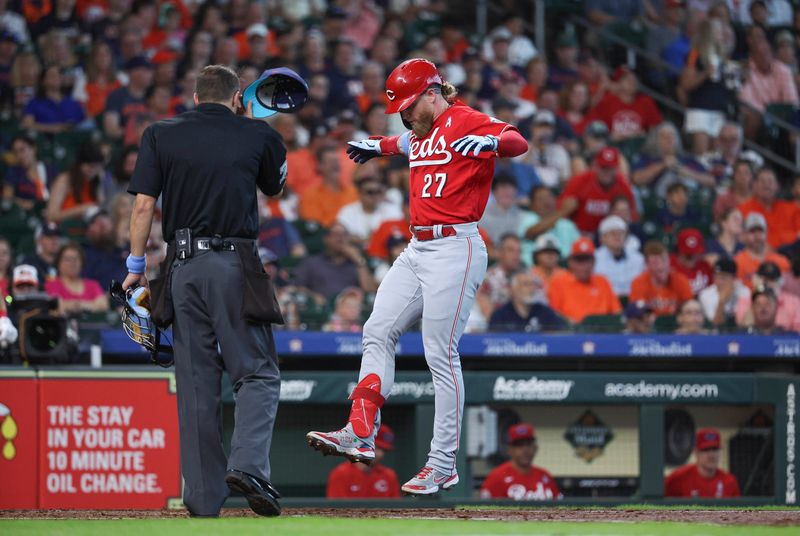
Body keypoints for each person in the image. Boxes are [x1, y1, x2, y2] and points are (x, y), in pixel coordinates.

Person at [306, 58, 528, 495]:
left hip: (456, 245)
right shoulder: (420, 131)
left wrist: (490, 145)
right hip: (418, 247)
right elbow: (408, 143)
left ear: (432, 93)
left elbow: (518, 142)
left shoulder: (466, 118)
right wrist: (379, 146)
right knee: (377, 329)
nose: (405, 112)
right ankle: (360, 431)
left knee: (439, 354)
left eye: (409, 104)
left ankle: (443, 462)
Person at [123, 65, 287, 517]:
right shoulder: (259, 134)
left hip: (180, 267)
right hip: (234, 264)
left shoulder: (161, 132)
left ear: (196, 97)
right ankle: (250, 466)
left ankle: (202, 501)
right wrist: (251, 122)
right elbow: (275, 185)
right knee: (256, 372)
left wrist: (136, 266)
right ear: (238, 98)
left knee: (196, 386)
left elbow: (142, 207)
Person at [558, 147, 638, 234]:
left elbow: (633, 216)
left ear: (616, 169)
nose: (606, 172)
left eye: (610, 168)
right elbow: (561, 210)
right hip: (579, 233)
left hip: (609, 237)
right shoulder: (580, 181)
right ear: (595, 166)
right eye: (603, 167)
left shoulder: (623, 186)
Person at [293, 223, 378, 301]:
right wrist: (313, 296)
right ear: (326, 239)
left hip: (350, 311)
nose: (340, 239)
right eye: (336, 235)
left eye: (344, 235)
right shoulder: (312, 263)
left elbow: (370, 291)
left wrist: (359, 260)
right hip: (322, 310)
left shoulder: (357, 264)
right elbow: (295, 287)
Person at [547, 237, 621, 324]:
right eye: (579, 260)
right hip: (571, 333)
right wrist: (569, 322)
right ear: (570, 262)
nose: (584, 266)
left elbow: (617, 312)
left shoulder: (602, 281)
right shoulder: (558, 282)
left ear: (594, 262)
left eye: (587, 260)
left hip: (601, 332)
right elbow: (553, 313)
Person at [480, 423, 561, 500]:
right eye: (519, 445)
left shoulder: (544, 476)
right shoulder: (496, 477)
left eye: (528, 444)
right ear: (509, 450)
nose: (525, 450)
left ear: (535, 448)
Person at [326, 424, 400, 498]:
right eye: (376, 447)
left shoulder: (389, 476)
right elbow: (336, 508)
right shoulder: (341, 474)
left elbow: (396, 508)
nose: (380, 454)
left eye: (384, 450)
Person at [665, 427, 741, 498]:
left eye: (715, 449)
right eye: (706, 449)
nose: (711, 455)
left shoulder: (729, 481)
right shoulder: (677, 478)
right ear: (695, 452)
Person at [738, 167, 800, 250]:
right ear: (754, 185)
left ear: (777, 186)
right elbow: (740, 238)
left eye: (770, 181)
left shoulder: (792, 209)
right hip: (758, 255)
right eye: (762, 181)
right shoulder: (742, 210)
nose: (766, 185)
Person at [519, 186, 580, 264]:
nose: (546, 201)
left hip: (564, 270)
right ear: (532, 206)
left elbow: (579, 248)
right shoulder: (528, 218)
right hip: (533, 270)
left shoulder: (567, 224)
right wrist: (564, 211)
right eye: (541, 199)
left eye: (549, 196)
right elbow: (532, 232)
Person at [630, 241, 693, 316]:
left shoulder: (681, 280)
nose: (661, 267)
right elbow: (638, 313)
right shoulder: (638, 283)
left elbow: (690, 308)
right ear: (647, 265)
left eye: (664, 260)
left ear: (669, 261)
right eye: (655, 263)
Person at [44, 243, 109, 315]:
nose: (72, 263)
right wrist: (90, 305)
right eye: (67, 259)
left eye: (76, 259)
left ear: (82, 262)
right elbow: (56, 306)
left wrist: (76, 305)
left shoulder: (93, 285)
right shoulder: (52, 284)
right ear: (58, 263)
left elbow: (103, 306)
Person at [488, 271, 564, 332]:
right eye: (526, 284)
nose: (532, 289)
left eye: (533, 285)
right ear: (513, 289)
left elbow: (558, 337)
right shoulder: (500, 316)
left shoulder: (545, 312)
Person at [594, 215, 645, 297]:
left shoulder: (638, 259)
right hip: (604, 303)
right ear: (602, 238)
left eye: (621, 233)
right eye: (613, 233)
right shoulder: (594, 259)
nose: (617, 236)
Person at [734, 213, 790, 287]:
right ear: (744, 235)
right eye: (752, 231)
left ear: (766, 233)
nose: (757, 236)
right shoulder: (737, 262)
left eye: (760, 231)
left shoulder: (782, 262)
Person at [475, 234, 522, 321]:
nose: (516, 255)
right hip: (499, 329)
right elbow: (487, 313)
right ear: (499, 252)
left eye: (519, 251)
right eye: (510, 250)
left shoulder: (528, 278)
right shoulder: (487, 279)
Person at [699, 258, 751, 328]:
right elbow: (715, 325)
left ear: (734, 278)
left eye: (723, 277)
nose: (719, 281)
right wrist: (722, 301)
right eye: (716, 276)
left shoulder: (744, 292)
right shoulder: (706, 295)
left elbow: (745, 324)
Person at [671, 228, 714, 295]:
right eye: (688, 256)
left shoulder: (705, 266)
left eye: (696, 253)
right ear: (678, 251)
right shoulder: (668, 265)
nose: (693, 258)